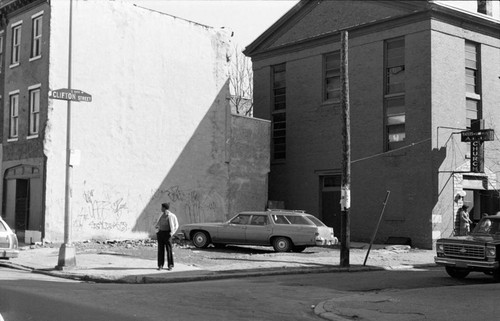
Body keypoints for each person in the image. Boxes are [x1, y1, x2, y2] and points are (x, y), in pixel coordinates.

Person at [155, 202, 179, 270]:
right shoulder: (161, 215)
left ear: (164, 208)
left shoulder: (171, 216)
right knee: (160, 250)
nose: (161, 209)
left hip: (167, 234)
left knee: (169, 250)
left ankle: (170, 265)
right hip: (160, 233)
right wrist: (157, 231)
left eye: (162, 207)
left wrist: (172, 233)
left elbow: (176, 225)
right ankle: (160, 265)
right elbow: (157, 223)